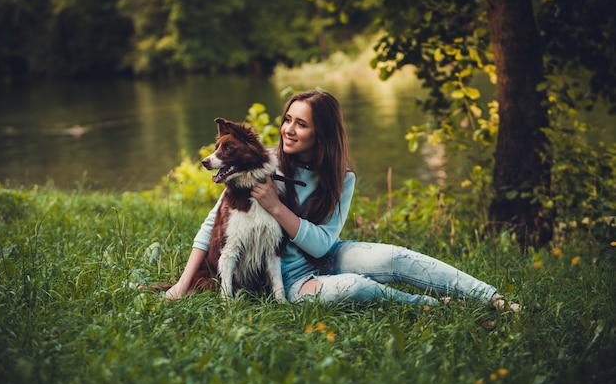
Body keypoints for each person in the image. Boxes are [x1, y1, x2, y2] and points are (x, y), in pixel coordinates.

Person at [165, 90, 520, 312]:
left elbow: (322, 244)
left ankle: (492, 298)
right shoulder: (260, 163)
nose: (288, 129)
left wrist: (275, 206)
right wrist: (183, 285)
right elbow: (214, 225)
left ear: (322, 133)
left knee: (396, 258)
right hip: (288, 280)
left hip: (329, 255)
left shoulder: (340, 177)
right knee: (356, 288)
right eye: (287, 119)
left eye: (300, 124)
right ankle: (436, 307)